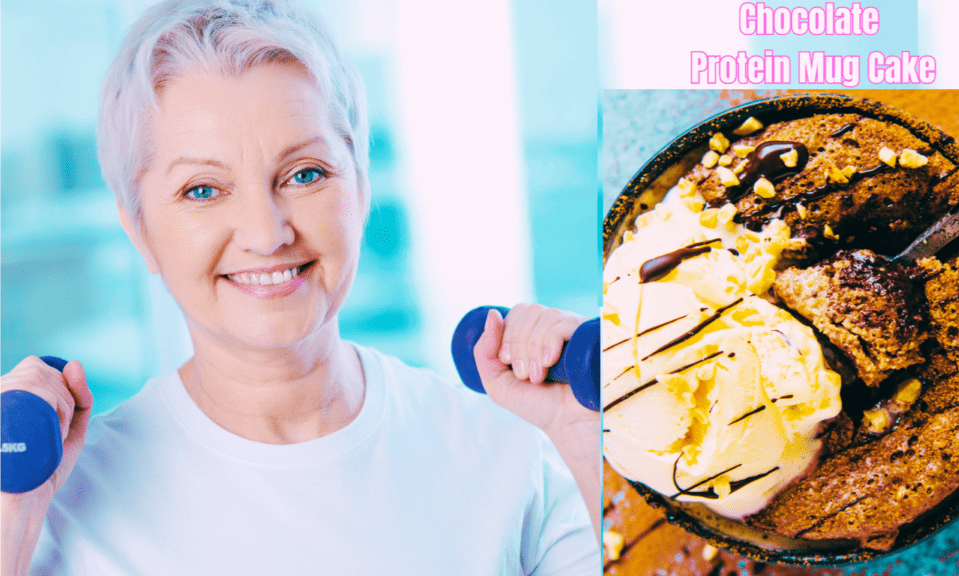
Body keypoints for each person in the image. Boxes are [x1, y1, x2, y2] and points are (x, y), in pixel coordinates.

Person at [0, 1, 600, 574]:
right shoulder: (63, 506)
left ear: (360, 190)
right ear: (140, 231)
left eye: (304, 175)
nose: (266, 233)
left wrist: (587, 445)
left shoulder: (504, 454)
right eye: (202, 190)